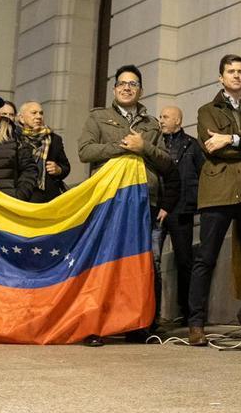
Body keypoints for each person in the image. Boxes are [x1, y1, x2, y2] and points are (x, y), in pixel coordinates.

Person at [78, 66, 171, 344]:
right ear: (114, 89)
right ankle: (93, 325)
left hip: (144, 199)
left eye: (133, 84)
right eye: (122, 84)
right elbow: (85, 151)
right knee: (102, 263)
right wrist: (122, 146)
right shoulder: (98, 117)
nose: (127, 88)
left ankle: (139, 324)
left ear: (140, 89)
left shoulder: (152, 124)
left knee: (140, 265)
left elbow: (166, 162)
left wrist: (144, 148)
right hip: (109, 199)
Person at [188, 54, 241, 346]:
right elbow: (211, 146)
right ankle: (196, 323)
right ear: (221, 77)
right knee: (206, 258)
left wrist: (230, 139)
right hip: (219, 189)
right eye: (231, 71)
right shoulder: (206, 111)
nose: (236, 76)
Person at [159, 105, 203, 322]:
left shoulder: (192, 145)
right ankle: (153, 313)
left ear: (178, 120)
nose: (161, 120)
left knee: (184, 260)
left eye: (165, 117)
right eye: (160, 116)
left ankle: (186, 311)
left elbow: (203, 174)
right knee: (152, 261)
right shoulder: (155, 143)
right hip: (157, 208)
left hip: (182, 208)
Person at [19, 101, 70, 202]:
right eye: (34, 113)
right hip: (23, 195)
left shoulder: (54, 139)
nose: (39, 116)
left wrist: (58, 169)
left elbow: (66, 167)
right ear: (21, 118)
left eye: (41, 113)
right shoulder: (15, 138)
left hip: (48, 197)